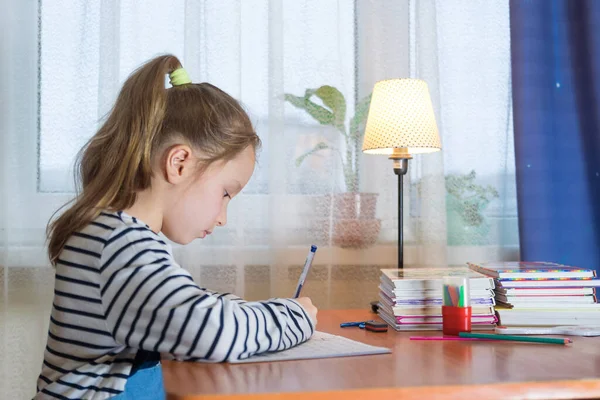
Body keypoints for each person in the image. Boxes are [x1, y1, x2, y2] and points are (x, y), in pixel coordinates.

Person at [35, 54, 318, 399]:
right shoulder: (120, 242)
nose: (222, 217)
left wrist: (239, 308)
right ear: (180, 163)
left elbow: (179, 309)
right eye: (226, 193)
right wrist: (294, 316)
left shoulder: (110, 233)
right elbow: (208, 332)